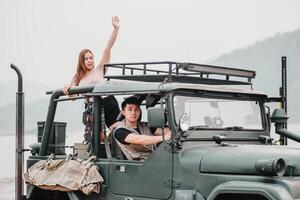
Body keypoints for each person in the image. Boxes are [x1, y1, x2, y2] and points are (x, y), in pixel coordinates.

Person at [63, 16, 120, 130]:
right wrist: (66, 89)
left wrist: (116, 29)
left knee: (116, 131)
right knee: (97, 138)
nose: (89, 61)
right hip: (92, 107)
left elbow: (107, 49)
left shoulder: (99, 69)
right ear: (81, 61)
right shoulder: (77, 78)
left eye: (91, 58)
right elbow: (73, 96)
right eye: (86, 59)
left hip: (108, 102)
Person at [114, 96, 171, 160]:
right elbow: (140, 139)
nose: (133, 113)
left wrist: (178, 130)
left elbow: (163, 131)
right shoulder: (120, 131)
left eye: (136, 109)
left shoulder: (145, 125)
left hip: (153, 159)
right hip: (137, 164)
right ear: (123, 113)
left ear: (140, 112)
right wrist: (164, 137)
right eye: (130, 109)